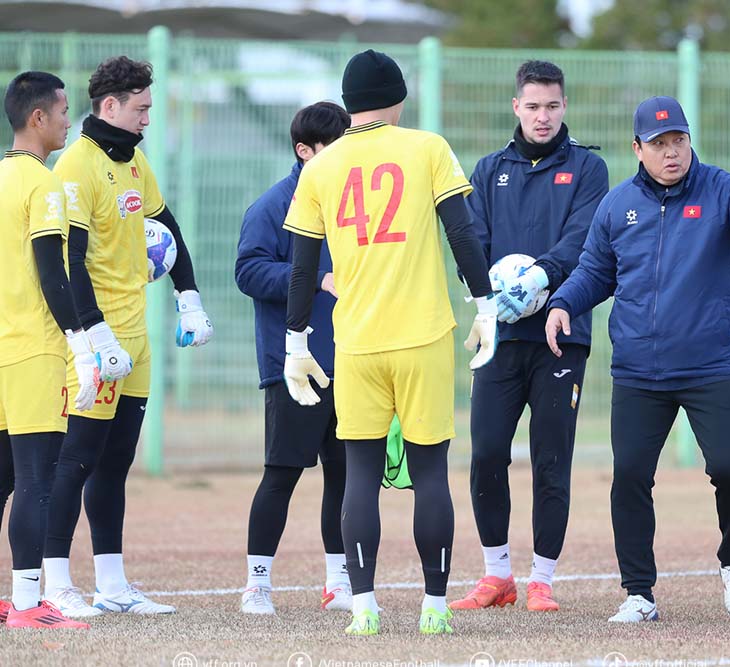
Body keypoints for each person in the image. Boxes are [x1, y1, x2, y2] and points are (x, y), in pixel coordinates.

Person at [545, 96, 730, 623]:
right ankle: (639, 594)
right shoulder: (616, 206)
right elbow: (595, 271)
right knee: (631, 476)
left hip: (714, 364)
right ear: (637, 149)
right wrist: (564, 303)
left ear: (689, 141)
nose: (671, 152)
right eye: (659, 144)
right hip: (639, 370)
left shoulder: (722, 188)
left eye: (678, 140)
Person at [282, 49, 497, 636]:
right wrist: (487, 305)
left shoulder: (320, 168)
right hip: (423, 335)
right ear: (399, 98)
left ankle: (364, 609)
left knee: (359, 475)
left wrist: (295, 342)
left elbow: (302, 269)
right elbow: (463, 233)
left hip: (355, 342)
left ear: (348, 103)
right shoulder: (427, 147)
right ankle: (433, 607)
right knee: (430, 473)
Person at [42, 56, 214, 617]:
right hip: (99, 339)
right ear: (110, 106)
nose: (147, 119)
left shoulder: (135, 161)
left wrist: (188, 298)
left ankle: (112, 587)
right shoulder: (76, 167)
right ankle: (57, 584)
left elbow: (169, 229)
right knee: (77, 460)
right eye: (140, 108)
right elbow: (69, 261)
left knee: (116, 463)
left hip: (137, 335)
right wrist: (95, 333)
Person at [450, 61, 608, 613]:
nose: (543, 116)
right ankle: (498, 576)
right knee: (488, 450)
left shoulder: (589, 168)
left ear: (565, 107)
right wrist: (488, 294)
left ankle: (541, 578)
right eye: (533, 106)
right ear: (516, 106)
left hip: (560, 335)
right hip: (499, 336)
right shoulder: (490, 169)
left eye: (553, 106)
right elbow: (473, 239)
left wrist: (542, 276)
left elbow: (584, 239)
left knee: (550, 457)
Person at [235, 101, 352, 615]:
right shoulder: (271, 206)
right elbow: (248, 271)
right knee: (281, 474)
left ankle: (340, 583)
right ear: (305, 151)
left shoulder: (352, 204)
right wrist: (312, 279)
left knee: (347, 477)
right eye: (337, 146)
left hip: (354, 362)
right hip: (295, 365)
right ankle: (257, 584)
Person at [0, 71, 98, 629]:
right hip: (34, 350)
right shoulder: (43, 185)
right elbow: (51, 274)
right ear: (38, 118)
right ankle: (28, 603)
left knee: (1, 480)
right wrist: (80, 342)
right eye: (62, 111)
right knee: (37, 479)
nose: (68, 120)